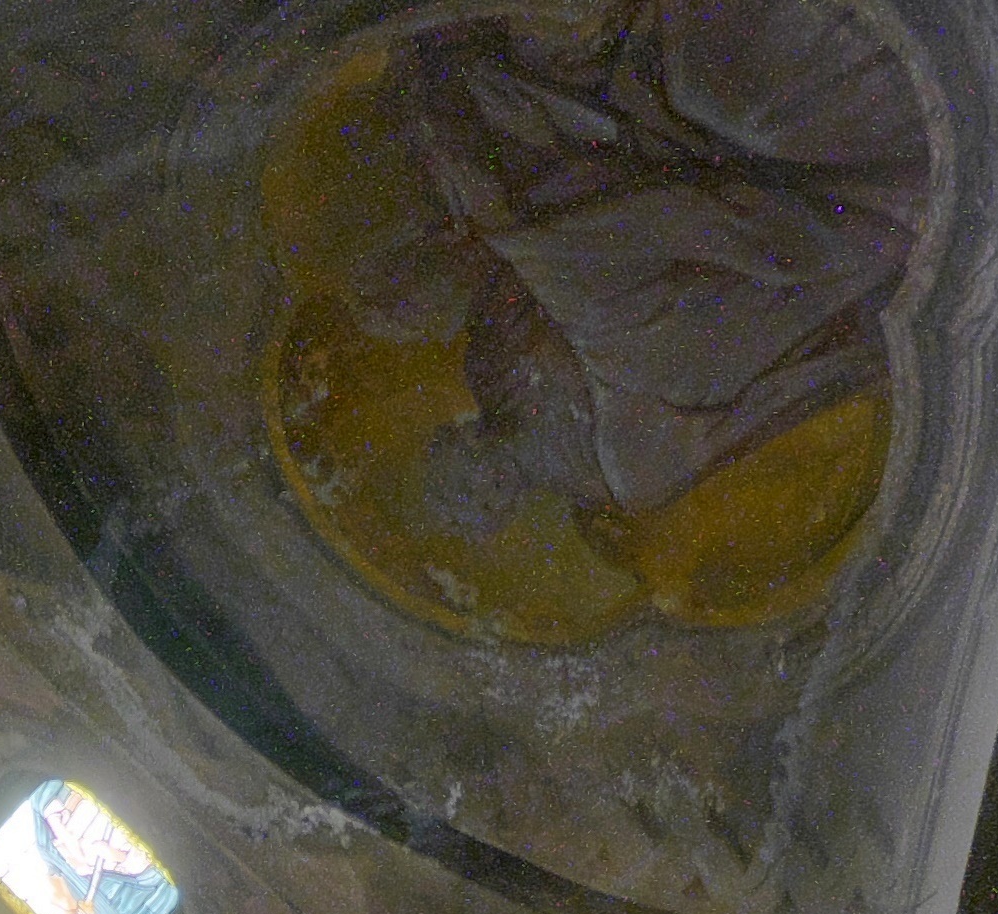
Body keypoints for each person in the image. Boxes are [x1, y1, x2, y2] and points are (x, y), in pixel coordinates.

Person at [347, 0, 933, 545]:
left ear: (454, 436)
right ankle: (863, 223)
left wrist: (512, 232)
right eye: (479, 501)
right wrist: (527, 244)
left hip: (640, 189)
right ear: (505, 514)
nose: (482, 481)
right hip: (696, 298)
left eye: (459, 478)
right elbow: (618, 339)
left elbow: (549, 281)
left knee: (712, 98)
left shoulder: (488, 365)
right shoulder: (611, 469)